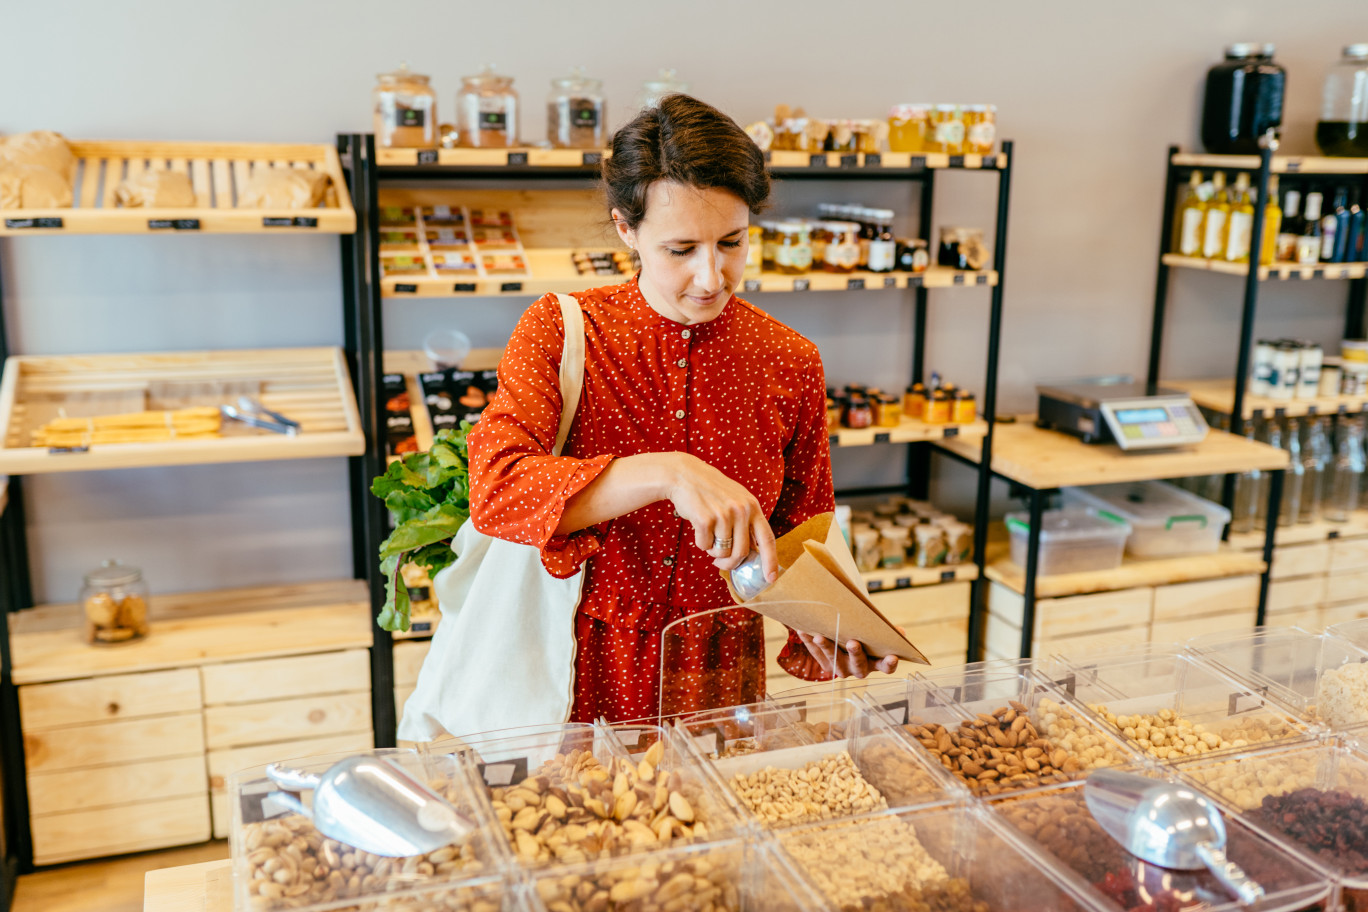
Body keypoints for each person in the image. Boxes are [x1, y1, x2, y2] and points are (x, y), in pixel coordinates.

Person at [467, 94, 899, 723]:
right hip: (578, 659)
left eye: (732, 242)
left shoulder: (790, 359)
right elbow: (498, 490)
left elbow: (803, 528)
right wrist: (670, 471)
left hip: (721, 667)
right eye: (680, 249)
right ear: (626, 229)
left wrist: (833, 620)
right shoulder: (561, 330)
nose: (711, 276)